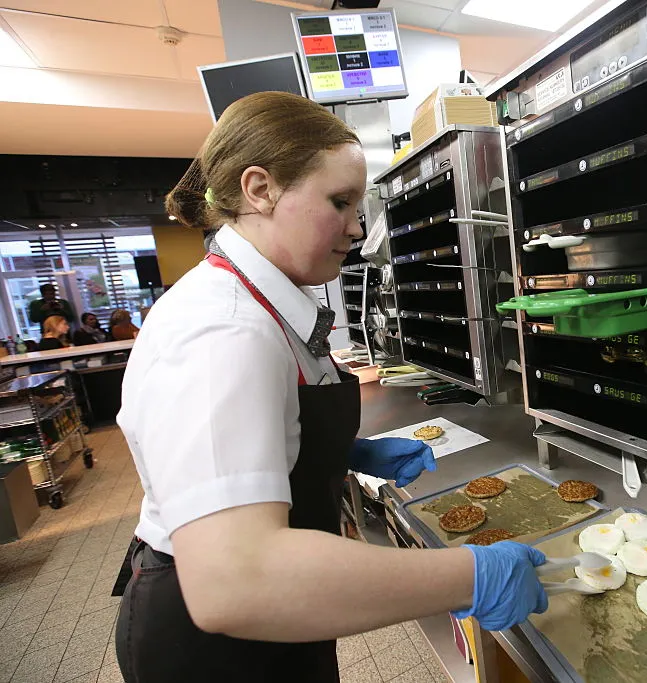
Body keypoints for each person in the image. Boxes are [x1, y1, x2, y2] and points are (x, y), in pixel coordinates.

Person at [113, 91, 548, 683]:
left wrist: (328, 453)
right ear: (259, 189)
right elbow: (237, 581)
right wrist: (471, 575)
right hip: (216, 649)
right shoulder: (222, 330)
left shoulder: (262, 302)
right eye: (339, 202)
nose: (357, 228)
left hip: (279, 617)